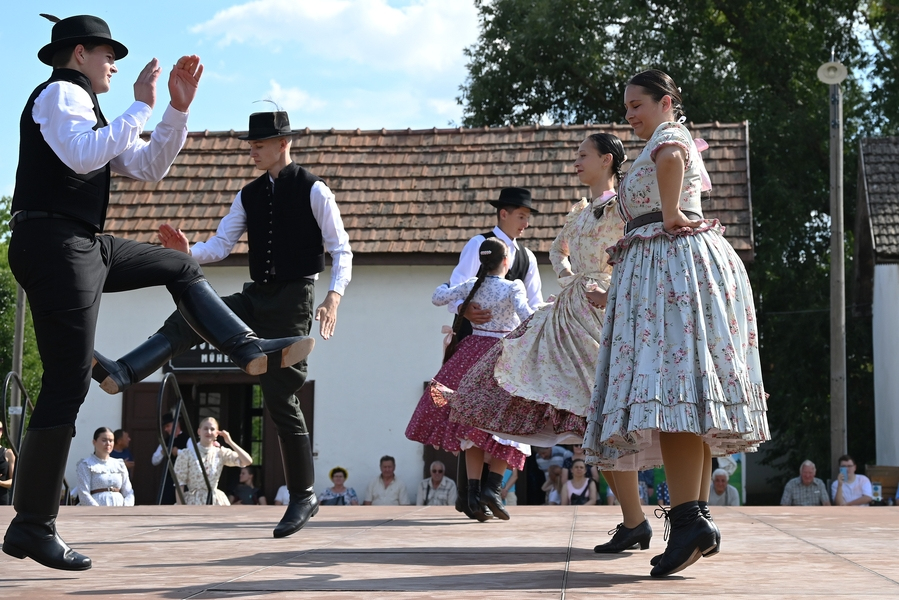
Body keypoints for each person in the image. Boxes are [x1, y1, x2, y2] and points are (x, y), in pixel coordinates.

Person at [2, 14, 311, 572]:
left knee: (178, 264)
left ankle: (246, 348)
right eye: (107, 55)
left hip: (82, 244)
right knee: (65, 385)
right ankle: (32, 525)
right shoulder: (59, 94)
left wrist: (175, 110)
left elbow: (147, 166)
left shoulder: (88, 108)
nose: (114, 66)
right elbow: (82, 156)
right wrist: (141, 105)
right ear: (79, 54)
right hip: (54, 243)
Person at [91, 108, 350, 539]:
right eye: (251, 145)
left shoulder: (314, 190)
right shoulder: (248, 194)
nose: (252, 151)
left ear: (283, 143)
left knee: (280, 397)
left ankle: (304, 495)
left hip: (294, 301)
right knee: (193, 313)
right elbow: (222, 244)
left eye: (259, 145)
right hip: (256, 296)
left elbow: (341, 249)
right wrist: (187, 253)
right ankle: (125, 370)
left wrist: (334, 296)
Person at [582, 69, 769, 578]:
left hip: (670, 266)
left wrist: (668, 215)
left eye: (637, 105)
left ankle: (690, 521)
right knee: (686, 393)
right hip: (671, 265)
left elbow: (671, 159)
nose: (629, 115)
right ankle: (695, 518)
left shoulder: (668, 135)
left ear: (665, 102)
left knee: (673, 392)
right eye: (626, 107)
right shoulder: (664, 138)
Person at [450, 135, 627, 449]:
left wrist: (610, 282)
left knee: (603, 381)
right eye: (522, 216)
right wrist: (570, 279)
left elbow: (636, 251)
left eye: (583, 155)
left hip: (605, 299)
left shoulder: (624, 208)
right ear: (504, 213)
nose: (576, 162)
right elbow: (558, 251)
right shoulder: (578, 213)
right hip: (565, 303)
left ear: (606, 160)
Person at [406, 236, 533, 521]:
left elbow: (437, 296)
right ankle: (492, 489)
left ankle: (474, 492)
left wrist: (460, 299)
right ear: (506, 261)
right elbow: (527, 315)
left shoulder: (473, 285)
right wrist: (549, 312)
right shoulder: (513, 286)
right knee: (509, 423)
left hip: (471, 356)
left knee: (471, 424)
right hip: (502, 357)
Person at [173, 417, 252, 505]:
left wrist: (230, 442)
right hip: (194, 501)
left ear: (217, 433)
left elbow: (247, 461)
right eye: (205, 429)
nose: (209, 432)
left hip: (214, 500)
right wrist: (180, 507)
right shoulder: (186, 454)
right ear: (199, 431)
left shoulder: (220, 453)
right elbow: (179, 484)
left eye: (212, 429)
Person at [74, 427, 134, 507]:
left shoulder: (119, 464)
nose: (108, 443)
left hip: (119, 509)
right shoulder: (86, 464)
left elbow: (128, 492)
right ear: (94, 442)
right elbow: (83, 493)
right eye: (104, 440)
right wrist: (98, 511)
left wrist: (126, 509)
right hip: (95, 510)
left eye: (111, 440)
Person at [151, 412, 192, 505]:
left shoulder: (187, 439)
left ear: (176, 424)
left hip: (185, 480)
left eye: (168, 426)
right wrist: (162, 452)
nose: (166, 429)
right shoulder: (165, 441)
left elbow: (193, 456)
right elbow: (154, 460)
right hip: (169, 479)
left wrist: (178, 452)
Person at [0, 421, 16, 506]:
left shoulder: (8, 453)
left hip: (2, 502)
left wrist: (1, 483)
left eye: (0, 429)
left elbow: (14, 481)